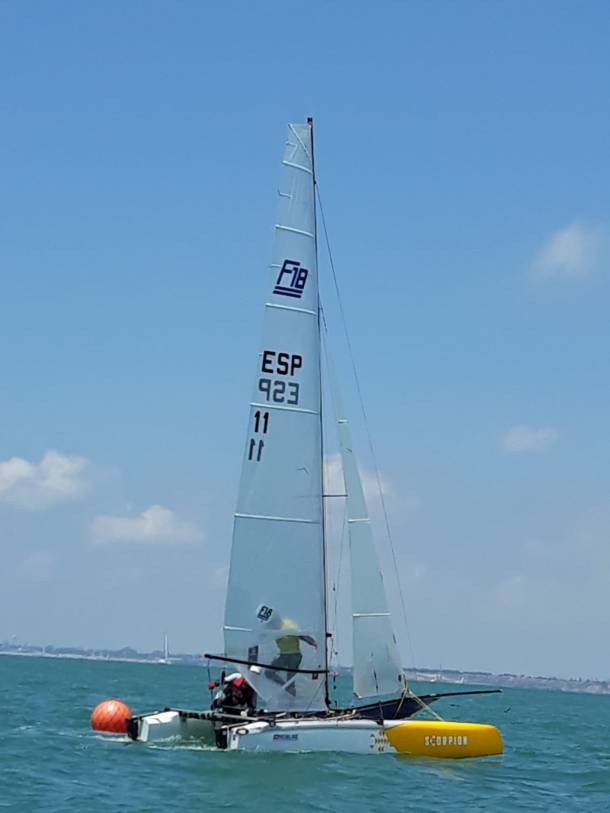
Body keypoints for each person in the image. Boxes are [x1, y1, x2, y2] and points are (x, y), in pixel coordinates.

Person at [265, 617, 317, 696]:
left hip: (294, 656)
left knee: (290, 681)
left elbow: (301, 635)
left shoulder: (288, 625)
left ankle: (290, 693)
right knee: (268, 672)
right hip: (283, 656)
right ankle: (286, 687)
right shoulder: (272, 629)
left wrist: (313, 642)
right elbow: (263, 636)